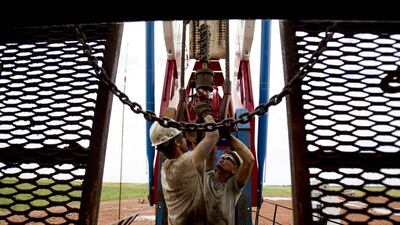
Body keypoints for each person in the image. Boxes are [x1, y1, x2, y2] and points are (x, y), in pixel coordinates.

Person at [149, 99, 219, 225]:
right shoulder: (183, 165)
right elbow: (213, 135)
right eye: (182, 138)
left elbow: (193, 165)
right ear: (176, 142)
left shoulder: (166, 167)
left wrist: (194, 142)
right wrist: (205, 113)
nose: (185, 140)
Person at [204, 131, 255, 225]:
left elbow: (249, 160)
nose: (223, 158)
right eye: (222, 157)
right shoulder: (207, 176)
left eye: (228, 159)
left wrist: (227, 135)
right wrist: (215, 131)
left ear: (235, 170)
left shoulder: (233, 187)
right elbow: (210, 150)